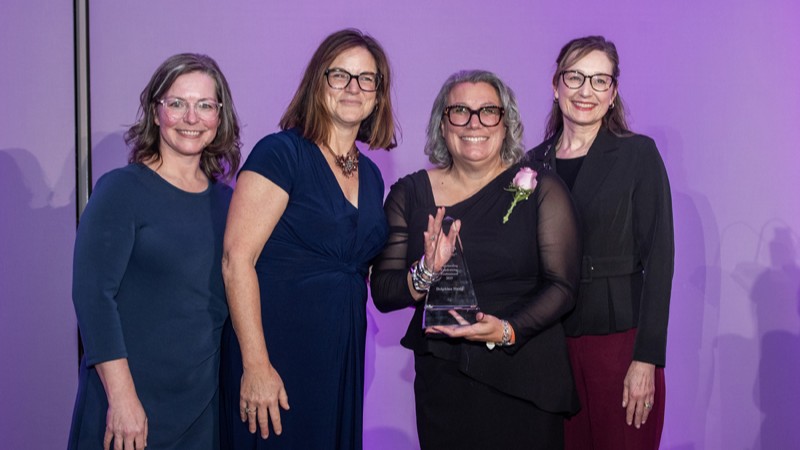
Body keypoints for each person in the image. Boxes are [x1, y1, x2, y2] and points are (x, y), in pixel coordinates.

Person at [370, 70, 581, 449]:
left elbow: (562, 286)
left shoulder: (542, 188)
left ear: (506, 122)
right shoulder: (409, 194)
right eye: (460, 111)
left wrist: (507, 330)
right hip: (446, 381)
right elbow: (384, 293)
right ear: (442, 123)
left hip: (526, 374)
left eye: (488, 111)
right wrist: (426, 272)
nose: (474, 123)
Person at [219, 29, 397, 449]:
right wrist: (256, 364)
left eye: (366, 79)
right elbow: (236, 259)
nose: (354, 88)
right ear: (318, 83)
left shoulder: (371, 175)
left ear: (378, 94)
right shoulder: (281, 153)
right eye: (340, 76)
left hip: (339, 354)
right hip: (277, 351)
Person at [68, 53, 242, 450]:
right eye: (177, 103)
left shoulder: (229, 205)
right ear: (156, 111)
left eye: (204, 106)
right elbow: (93, 296)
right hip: (127, 408)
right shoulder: (122, 190)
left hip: (202, 413)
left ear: (220, 116)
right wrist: (122, 398)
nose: (191, 118)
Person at [528, 35, 674, 449]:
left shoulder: (638, 155)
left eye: (599, 80)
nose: (585, 91)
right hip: (550, 346)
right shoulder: (531, 163)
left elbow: (659, 260)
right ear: (556, 86)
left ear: (613, 93)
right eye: (575, 77)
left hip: (619, 344)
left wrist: (647, 358)